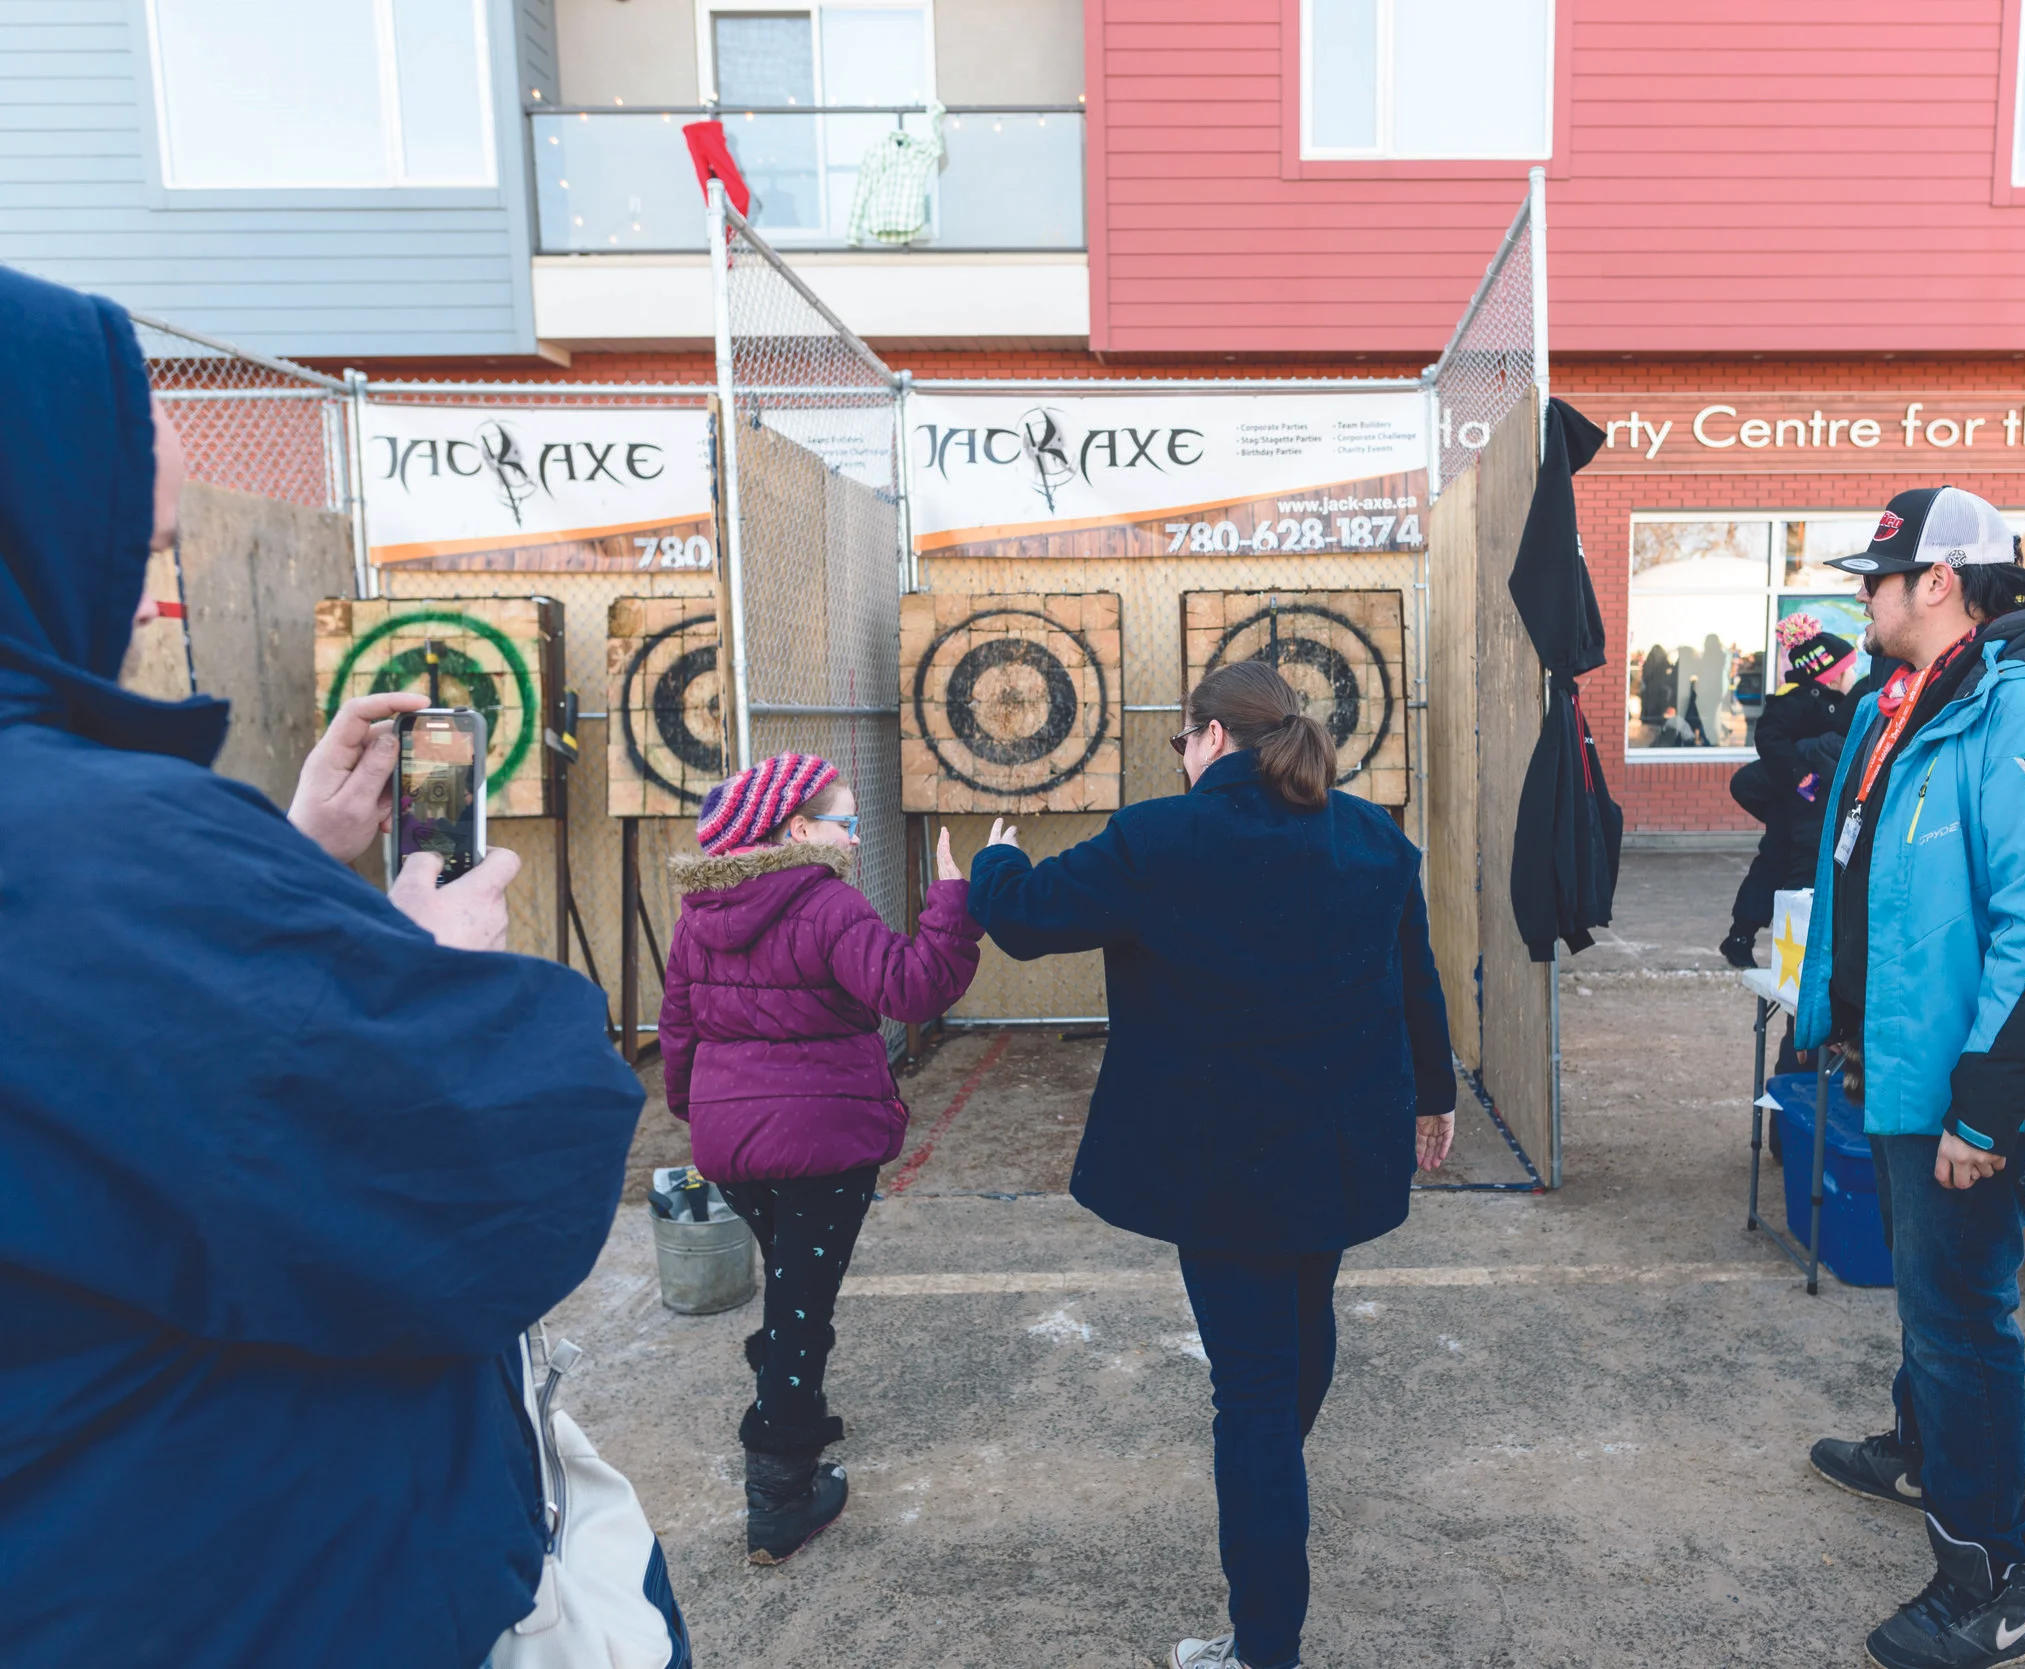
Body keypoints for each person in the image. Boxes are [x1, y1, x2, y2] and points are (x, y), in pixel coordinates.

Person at [0, 266, 648, 1666]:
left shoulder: (108, 857)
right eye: (137, 547)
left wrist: (290, 864)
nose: (132, 596)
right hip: (217, 1590)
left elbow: (112, 1068)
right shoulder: (100, 845)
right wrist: (421, 961)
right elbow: (478, 1168)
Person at [966, 660, 1456, 1669]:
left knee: (1255, 1398)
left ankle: (1263, 1643)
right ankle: (1271, 1484)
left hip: (1220, 1168)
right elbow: (1415, 969)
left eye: (1180, 741)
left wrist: (988, 863)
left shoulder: (1160, 838)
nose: (1178, 759)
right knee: (1293, 1344)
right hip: (1333, 1151)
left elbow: (1022, 920)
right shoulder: (1370, 835)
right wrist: (1435, 1094)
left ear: (1213, 738)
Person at [1795, 485, 2025, 1669]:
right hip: (1922, 1051)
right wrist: (1838, 1017)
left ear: (1937, 581)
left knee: (1958, 1313)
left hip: (1993, 1072)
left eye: (1875, 577)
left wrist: (1983, 1107)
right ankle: (1921, 1453)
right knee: (1930, 1283)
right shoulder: (1916, 698)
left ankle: (1999, 1584)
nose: (1861, 594)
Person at [660, 753, 982, 1564]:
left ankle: (785, 1379)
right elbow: (911, 988)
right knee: (802, 1305)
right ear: (799, 830)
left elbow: (678, 1033)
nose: (854, 832)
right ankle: (779, 1493)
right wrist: (952, 900)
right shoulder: (827, 903)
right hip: (821, 1143)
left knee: (794, 1282)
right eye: (844, 819)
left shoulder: (701, 910)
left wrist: (703, 1115)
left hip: (734, 1147)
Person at [1721, 628, 1856, 967]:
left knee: (1778, 865)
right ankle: (1755, 941)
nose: (1853, 674)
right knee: (1792, 870)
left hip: (1804, 804)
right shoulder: (1798, 700)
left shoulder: (1829, 703)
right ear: (1830, 674)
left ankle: (1747, 937)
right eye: (1849, 667)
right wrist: (1802, 778)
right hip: (1797, 802)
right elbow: (1770, 740)